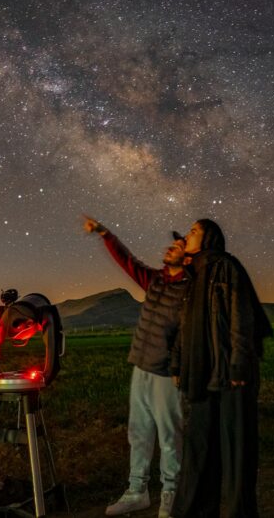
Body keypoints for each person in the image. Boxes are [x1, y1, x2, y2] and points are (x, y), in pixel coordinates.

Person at [83, 216, 189, 518]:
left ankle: (171, 494)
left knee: (169, 436)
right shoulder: (155, 279)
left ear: (189, 256)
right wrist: (105, 232)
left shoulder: (190, 290)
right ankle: (136, 492)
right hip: (140, 367)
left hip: (167, 373)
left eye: (178, 246)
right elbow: (127, 261)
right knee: (139, 433)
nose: (170, 247)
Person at [170, 219, 273, 518]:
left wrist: (240, 365)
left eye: (193, 231)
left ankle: (240, 512)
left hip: (230, 375)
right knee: (199, 449)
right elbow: (184, 325)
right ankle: (197, 511)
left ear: (208, 237)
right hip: (201, 374)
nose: (187, 235)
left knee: (237, 451)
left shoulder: (226, 267)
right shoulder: (192, 275)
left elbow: (242, 316)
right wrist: (178, 362)